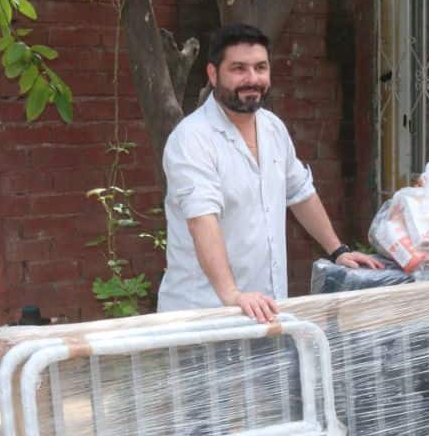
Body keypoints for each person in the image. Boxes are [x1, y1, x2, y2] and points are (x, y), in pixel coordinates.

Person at [157, 23, 380, 322]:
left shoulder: (273, 128)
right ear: (213, 74)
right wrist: (232, 294)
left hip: (266, 310)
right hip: (205, 316)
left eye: (260, 68)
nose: (252, 79)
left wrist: (337, 250)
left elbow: (299, 192)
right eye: (239, 68)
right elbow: (202, 221)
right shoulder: (192, 139)